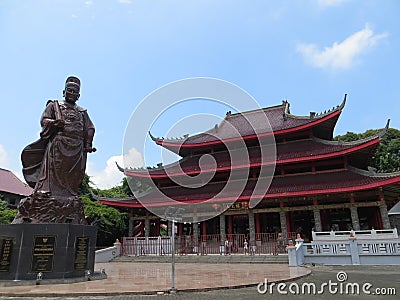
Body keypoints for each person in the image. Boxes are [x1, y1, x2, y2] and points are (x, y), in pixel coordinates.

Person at [13, 76, 95, 224]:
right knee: (52, 170)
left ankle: (68, 194)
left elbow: (90, 127)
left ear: (79, 95)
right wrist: (53, 122)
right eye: (69, 90)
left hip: (76, 147)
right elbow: (44, 120)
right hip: (58, 143)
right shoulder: (54, 105)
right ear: (64, 92)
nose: (71, 93)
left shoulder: (82, 112)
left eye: (75, 91)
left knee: (71, 174)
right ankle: (47, 192)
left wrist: (88, 143)